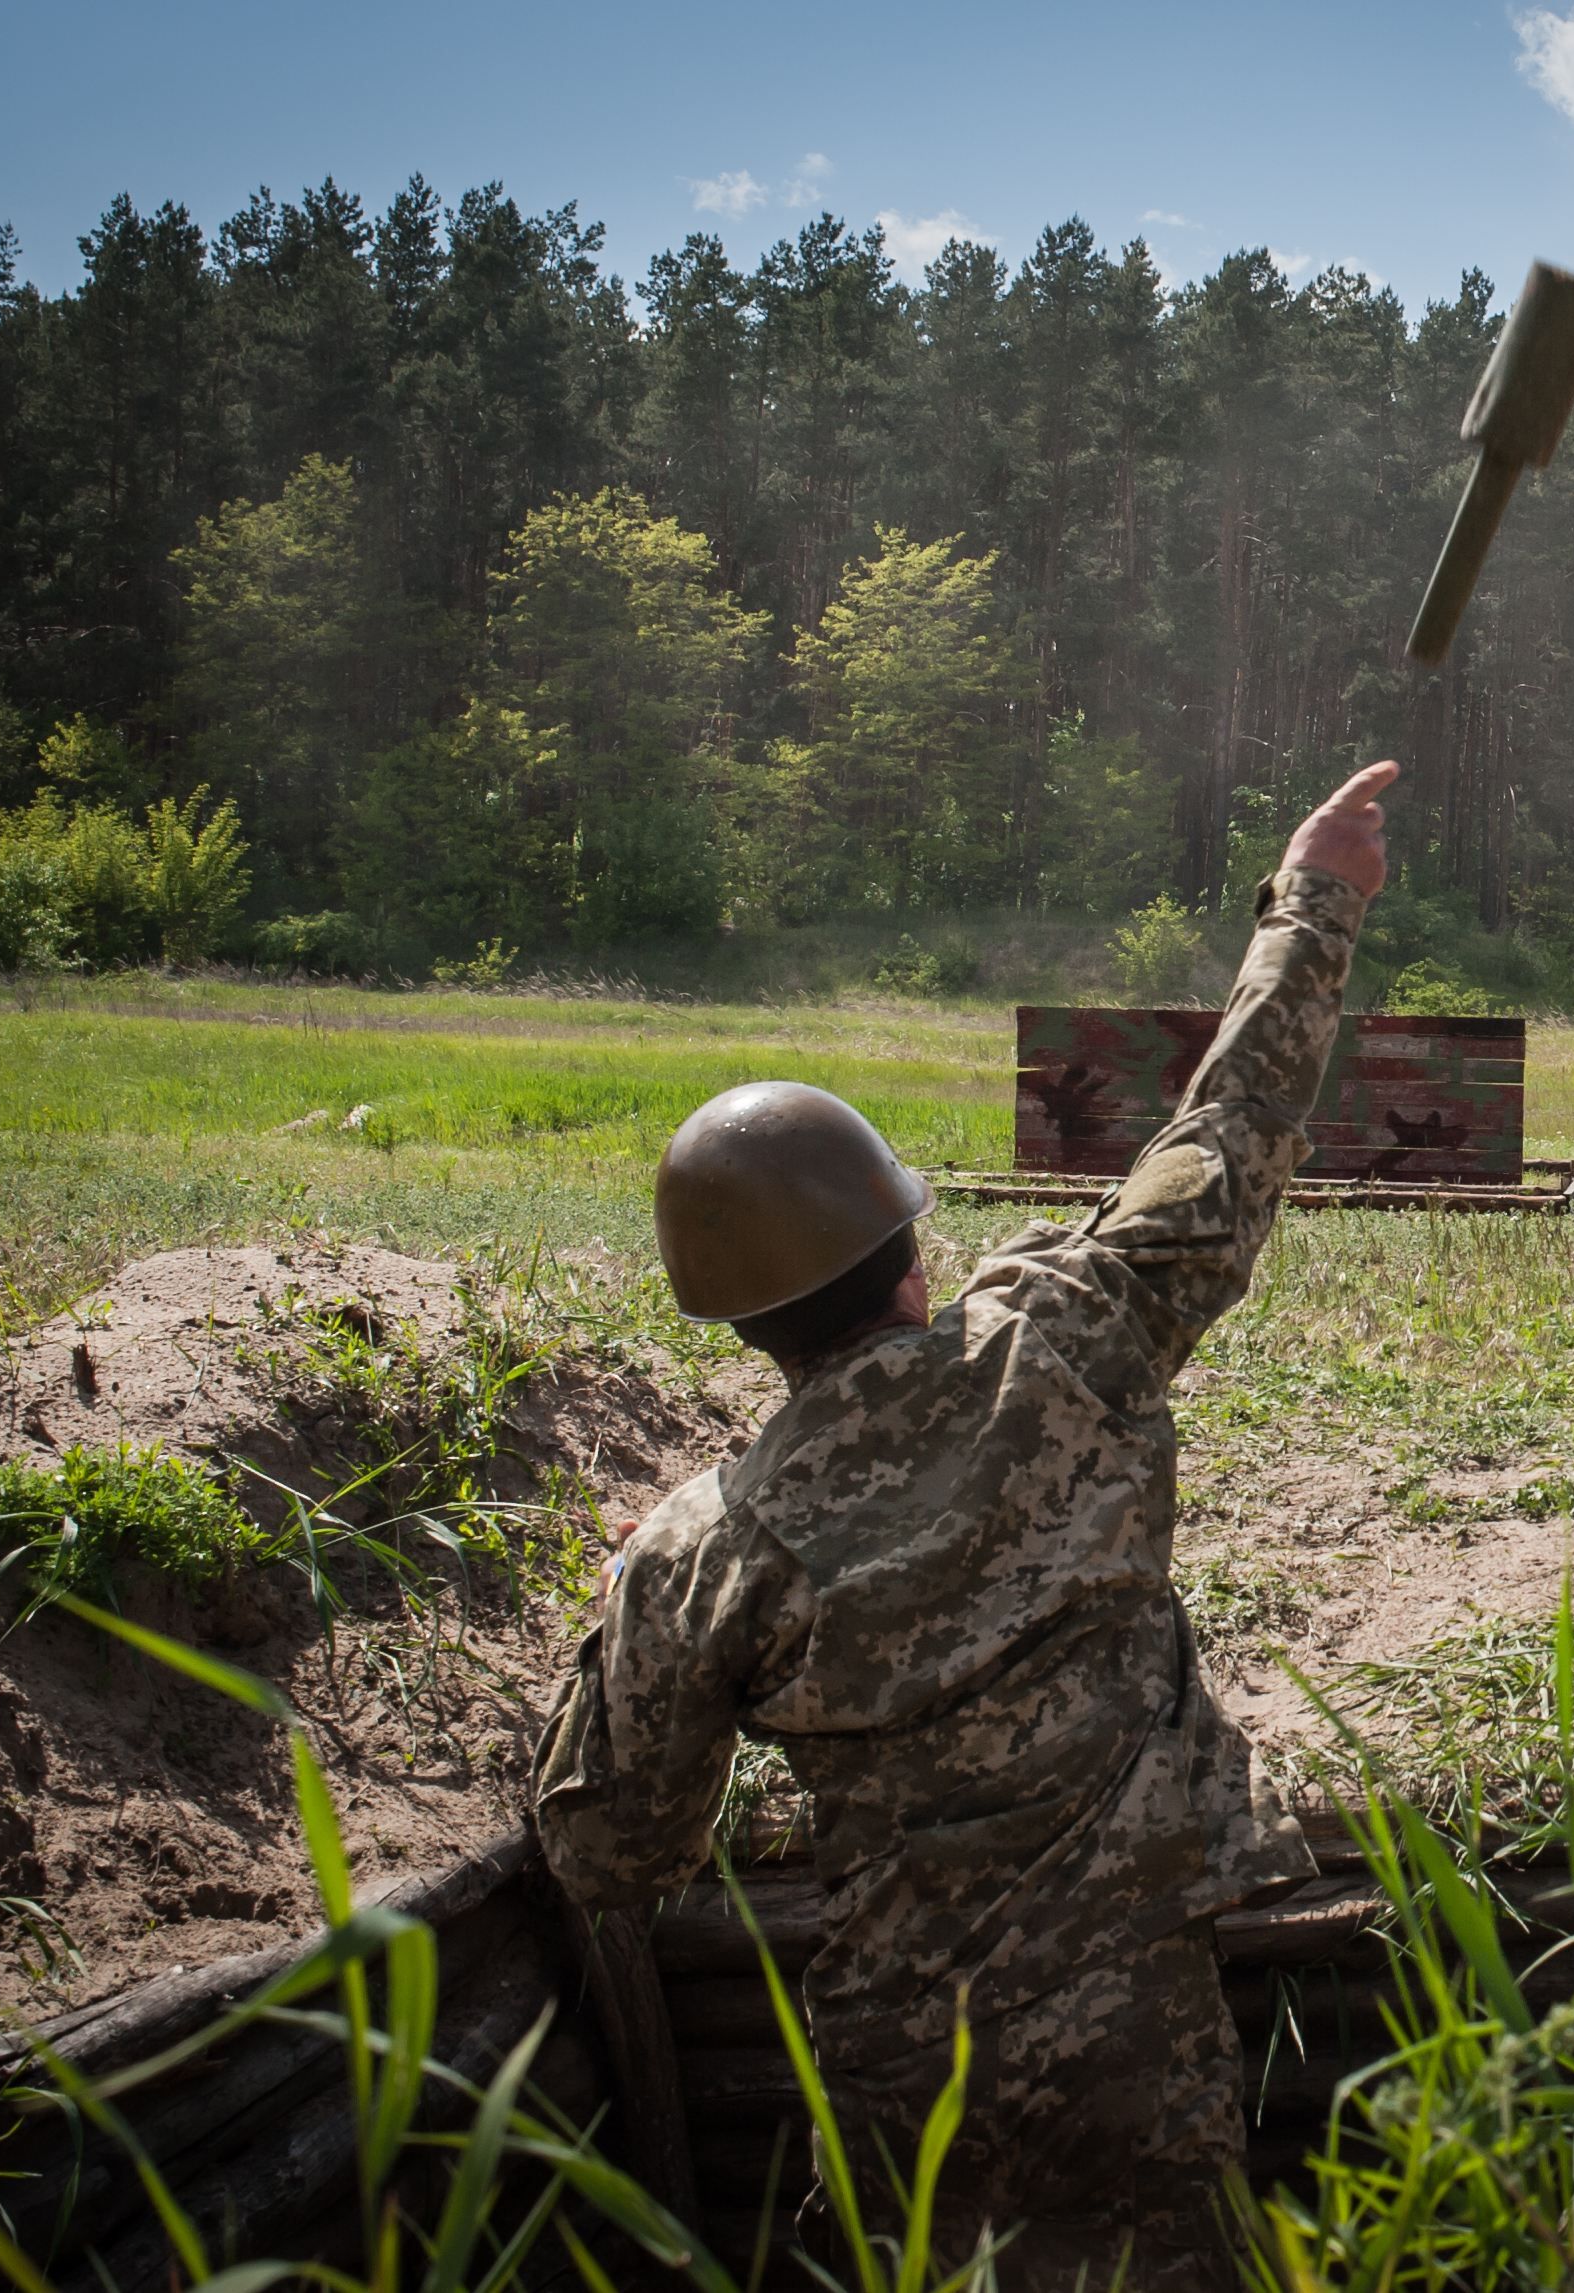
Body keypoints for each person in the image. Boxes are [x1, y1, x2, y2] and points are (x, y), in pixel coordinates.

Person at [531, 760, 1401, 2292]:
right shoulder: (1066, 1333)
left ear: (736, 1322)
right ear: (910, 1253)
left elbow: (611, 1851)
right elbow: (1230, 1128)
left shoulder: (701, 1550)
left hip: (901, 2087)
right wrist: (1312, 896)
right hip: (1141, 2038)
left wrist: (621, 1612)